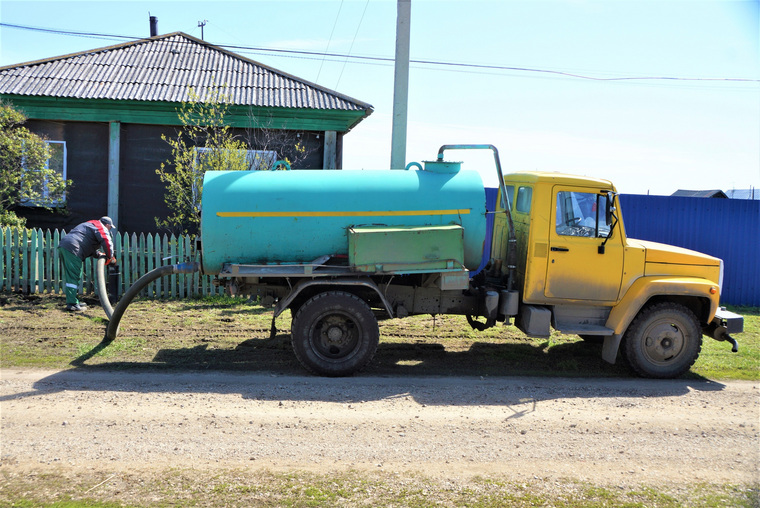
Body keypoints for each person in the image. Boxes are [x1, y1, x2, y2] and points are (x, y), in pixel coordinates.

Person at [57, 216, 117, 312]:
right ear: (107, 225)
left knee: (74, 275)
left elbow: (85, 243)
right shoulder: (100, 227)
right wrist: (111, 256)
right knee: (73, 276)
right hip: (73, 248)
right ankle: (72, 304)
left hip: (66, 246)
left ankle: (73, 301)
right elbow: (106, 241)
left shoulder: (89, 225)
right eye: (110, 227)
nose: (110, 230)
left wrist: (98, 254)